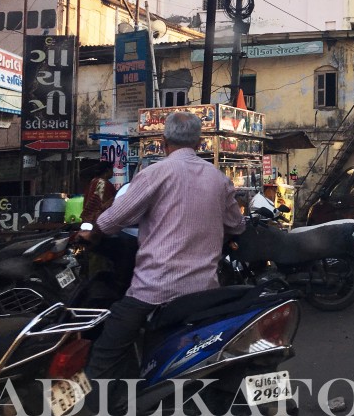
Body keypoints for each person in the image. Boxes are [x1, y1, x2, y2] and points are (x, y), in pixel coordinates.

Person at [81, 111, 245, 415]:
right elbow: (237, 226)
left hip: (153, 289)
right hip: (203, 293)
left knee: (106, 349)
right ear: (199, 142)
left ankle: (90, 407)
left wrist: (91, 232)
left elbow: (113, 219)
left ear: (162, 141)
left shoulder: (155, 174)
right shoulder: (219, 180)